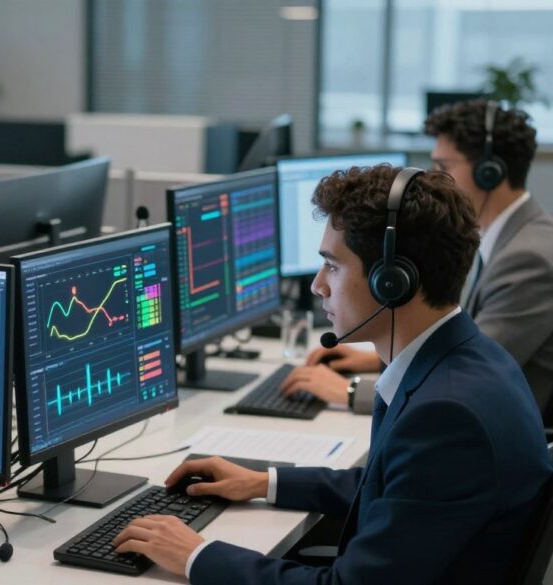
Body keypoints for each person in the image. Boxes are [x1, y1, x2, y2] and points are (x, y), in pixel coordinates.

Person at [112, 166, 552, 582]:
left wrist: (196, 555)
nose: (317, 285)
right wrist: (264, 481)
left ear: (392, 281)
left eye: (334, 266)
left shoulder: (448, 414)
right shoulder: (463, 358)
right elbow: (391, 485)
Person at [283, 100, 553, 421]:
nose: (434, 178)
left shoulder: (529, 257)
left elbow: (466, 368)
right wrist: (375, 359)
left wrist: (351, 391)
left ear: (489, 173)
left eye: (444, 167)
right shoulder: (505, 237)